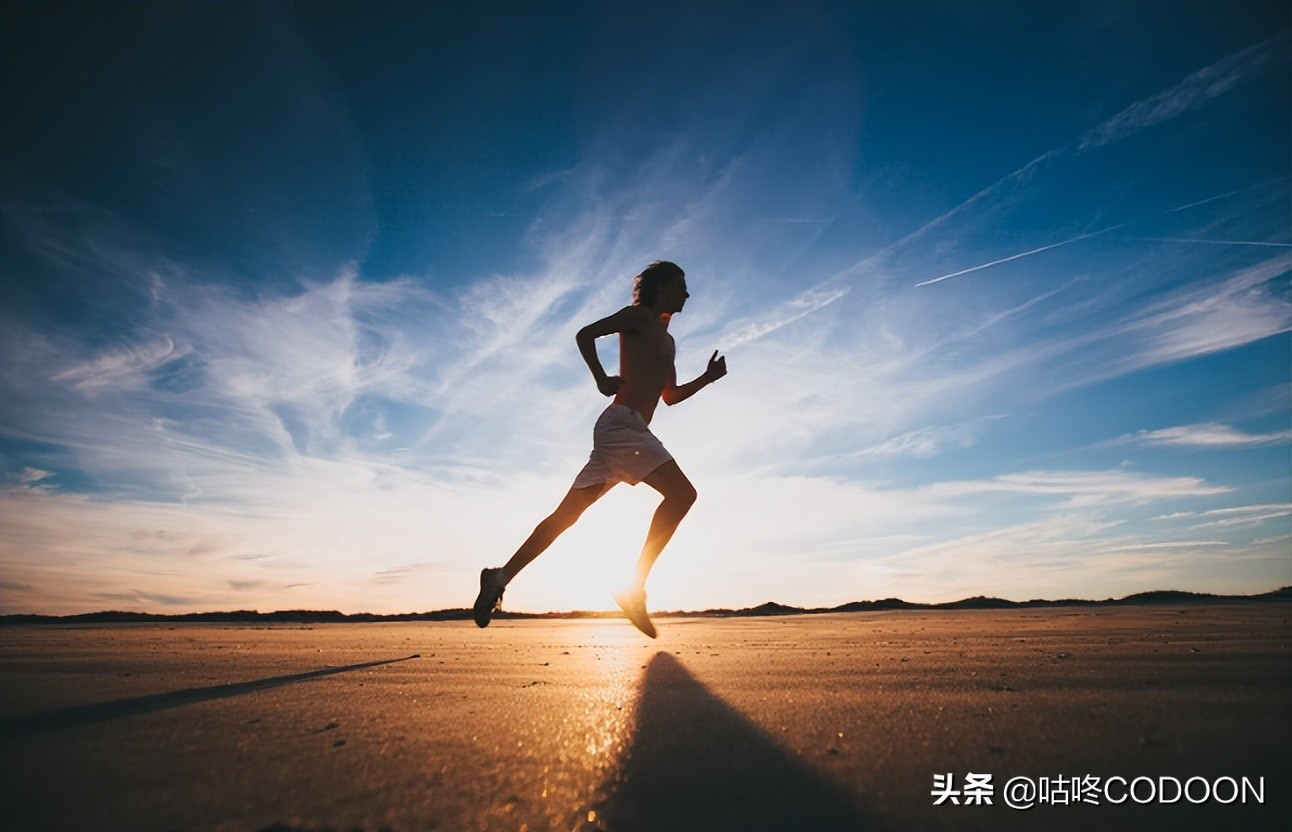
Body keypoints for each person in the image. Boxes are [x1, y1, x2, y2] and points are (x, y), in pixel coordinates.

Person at [472, 261, 727, 637]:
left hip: (624, 432)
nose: (687, 293)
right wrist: (599, 378)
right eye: (679, 286)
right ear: (659, 289)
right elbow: (585, 334)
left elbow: (669, 397)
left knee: (565, 517)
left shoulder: (668, 339)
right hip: (623, 427)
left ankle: (499, 576)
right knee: (682, 495)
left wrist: (706, 378)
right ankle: (633, 588)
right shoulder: (637, 317)